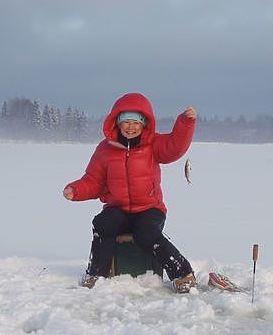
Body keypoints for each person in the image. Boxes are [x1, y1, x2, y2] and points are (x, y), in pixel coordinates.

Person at [63, 92, 197, 293]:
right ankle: (95, 275)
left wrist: (185, 123)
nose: (131, 127)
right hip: (118, 209)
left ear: (145, 123)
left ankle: (182, 274)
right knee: (103, 223)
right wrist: (76, 190)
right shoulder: (105, 149)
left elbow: (175, 147)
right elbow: (94, 180)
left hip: (150, 209)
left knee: (147, 233)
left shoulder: (154, 145)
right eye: (126, 121)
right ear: (117, 122)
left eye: (136, 122)